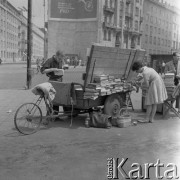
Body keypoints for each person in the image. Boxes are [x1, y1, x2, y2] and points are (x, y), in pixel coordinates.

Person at [40, 50, 65, 121]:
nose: (60, 60)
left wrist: (62, 69)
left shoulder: (60, 61)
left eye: (61, 59)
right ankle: (51, 115)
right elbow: (42, 71)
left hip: (59, 81)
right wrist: (52, 69)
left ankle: (54, 116)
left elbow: (60, 67)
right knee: (53, 98)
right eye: (59, 59)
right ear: (56, 56)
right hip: (53, 82)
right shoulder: (50, 60)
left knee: (57, 98)